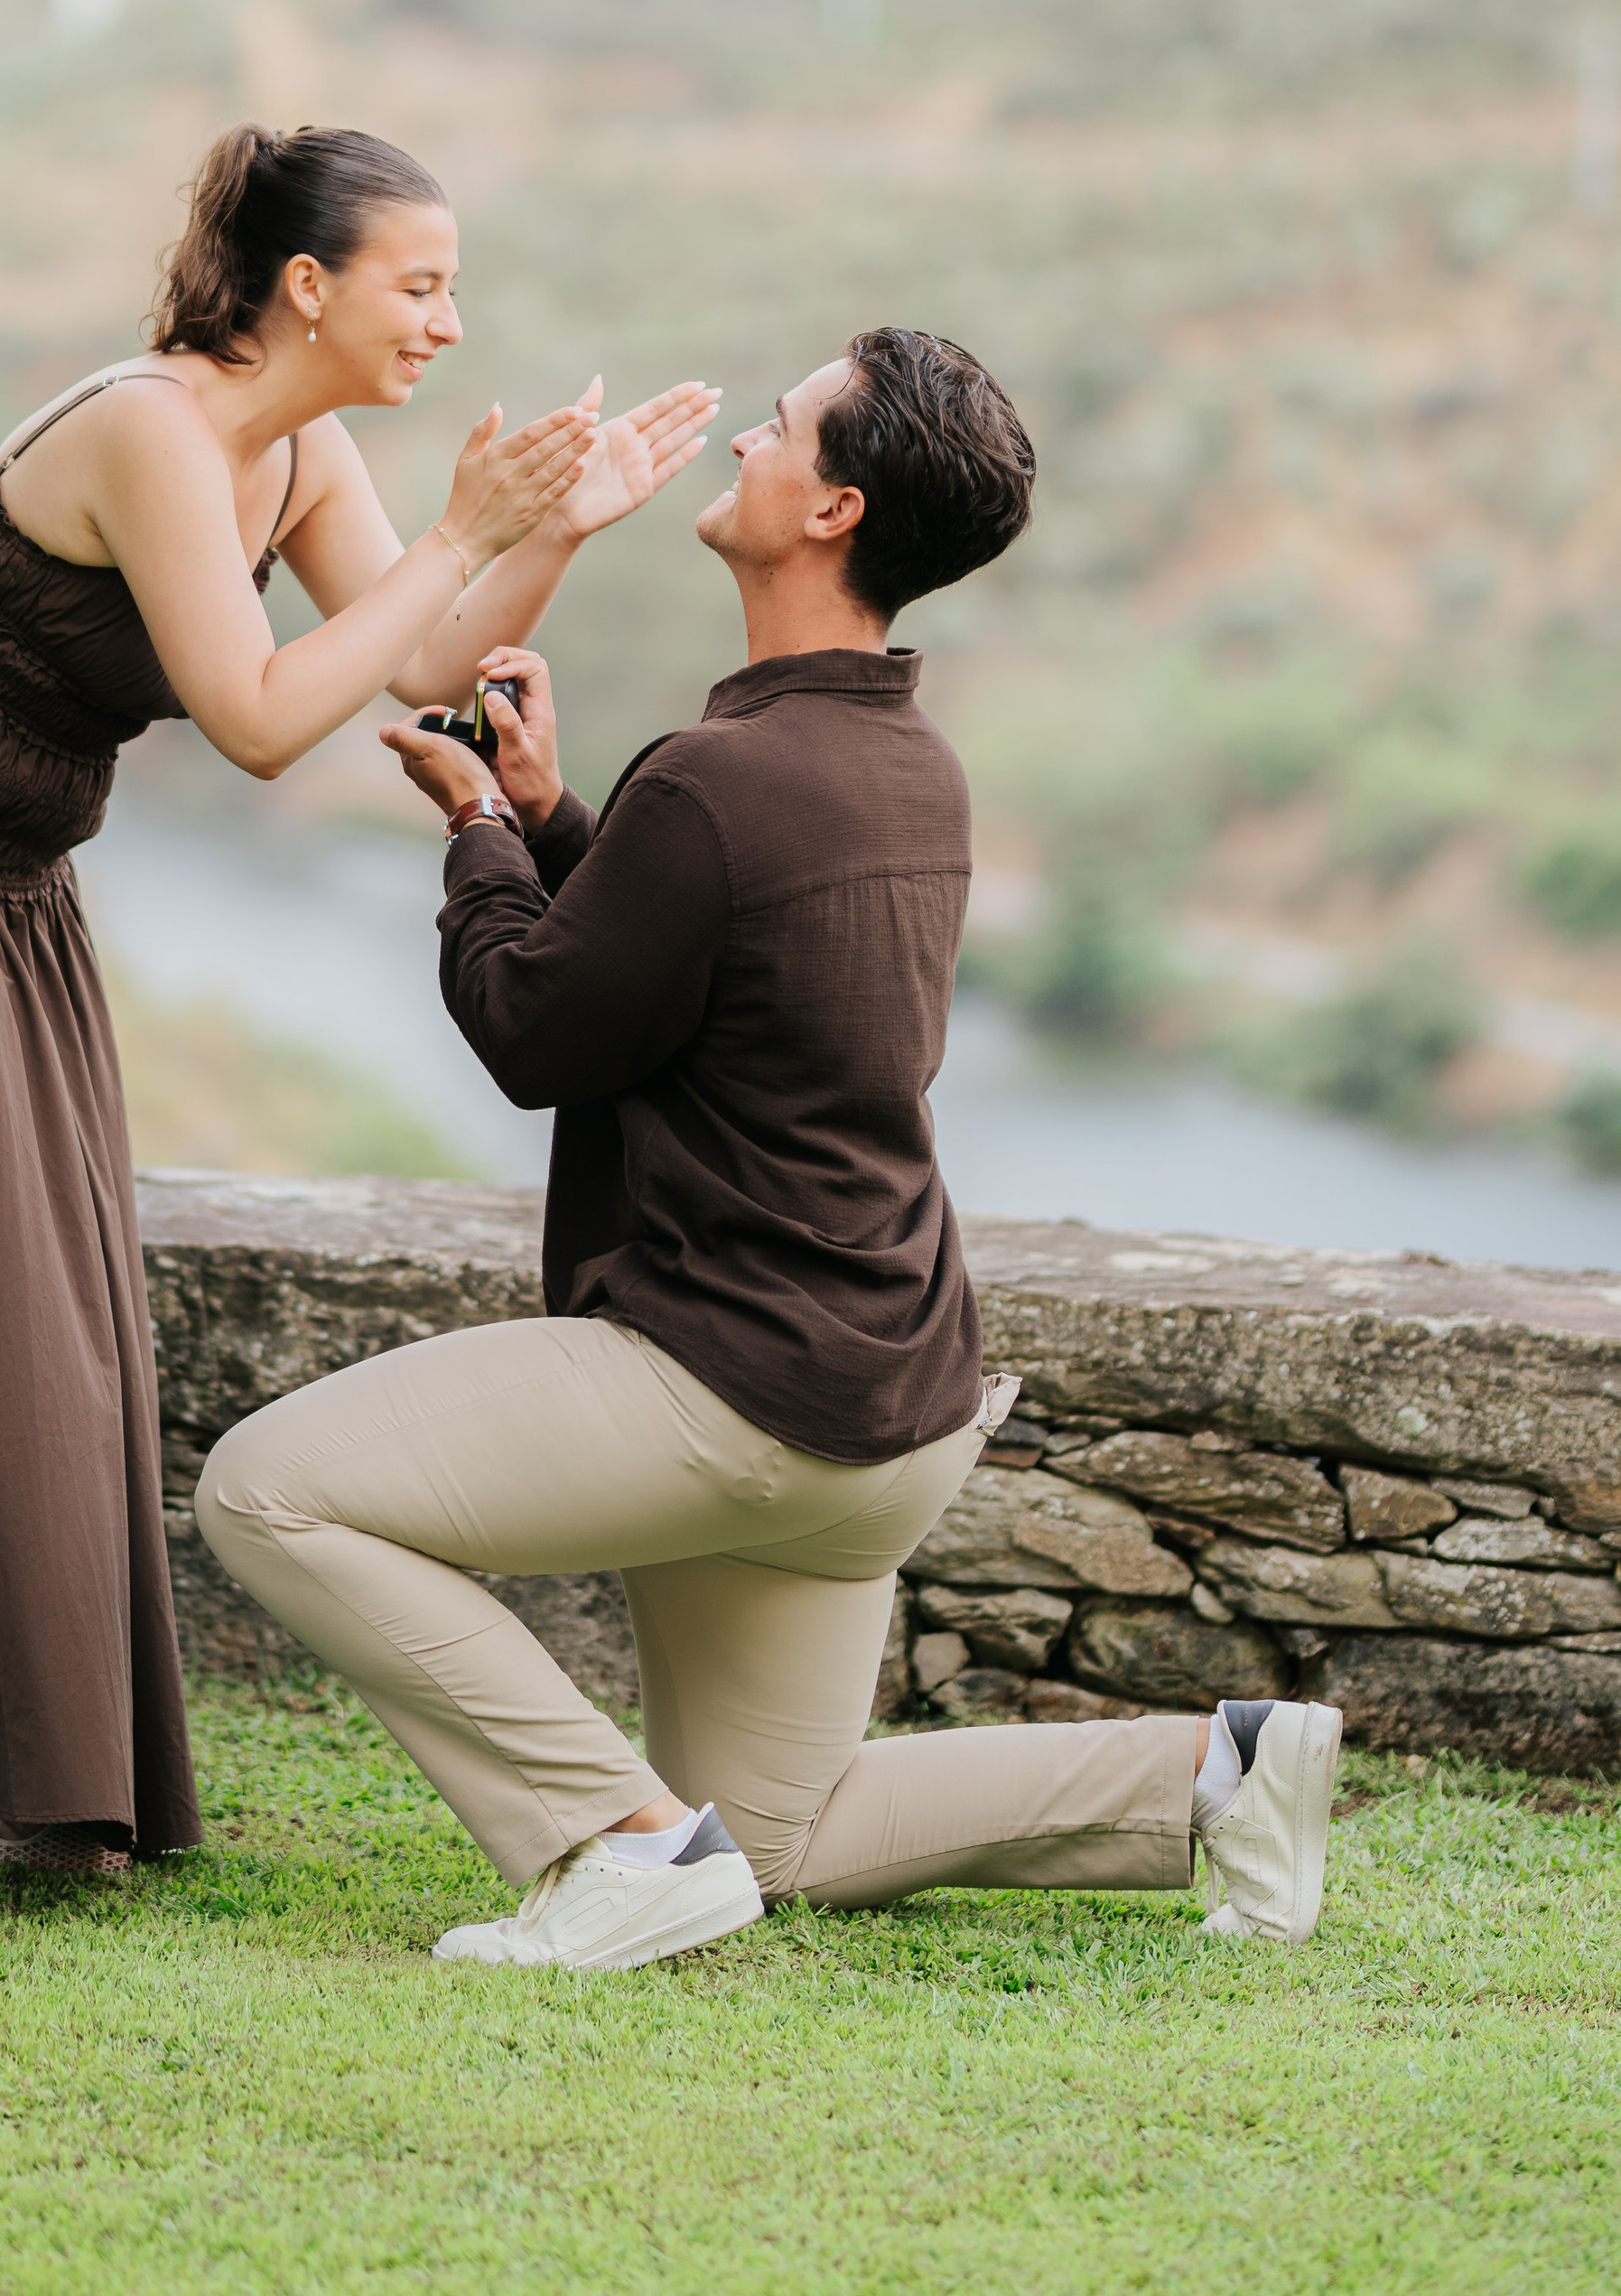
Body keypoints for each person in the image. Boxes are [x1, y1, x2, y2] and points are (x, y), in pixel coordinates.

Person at [0, 122, 718, 1876]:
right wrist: (460, 533)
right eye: (417, 286)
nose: (443, 321)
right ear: (304, 287)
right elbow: (263, 717)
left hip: (8, 881)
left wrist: (548, 533)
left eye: (449, 291)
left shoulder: (303, 452)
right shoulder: (148, 430)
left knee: (28, 1317)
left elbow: (417, 666)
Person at [196, 327, 1342, 1967]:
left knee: (270, 1493)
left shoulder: (724, 780)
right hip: (886, 1406)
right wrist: (557, 819)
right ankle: (1220, 1777)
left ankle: (620, 1841)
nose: (748, 439)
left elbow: (538, 1029)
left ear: (836, 508)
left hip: (730, 1386)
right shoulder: (910, 771)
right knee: (782, 1839)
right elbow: (709, 982)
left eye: (784, 427)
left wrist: (473, 831)